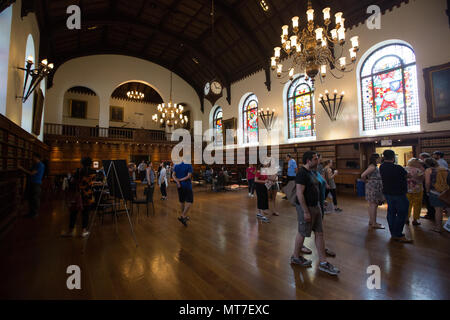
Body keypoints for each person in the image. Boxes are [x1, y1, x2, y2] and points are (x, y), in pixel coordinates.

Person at [290, 151, 340, 276]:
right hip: (306, 207)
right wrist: (306, 211)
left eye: (317, 158)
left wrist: (320, 201)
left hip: (316, 205)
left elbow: (317, 187)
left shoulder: (313, 171)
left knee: (319, 233)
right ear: (308, 160)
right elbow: (299, 193)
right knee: (302, 232)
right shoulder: (302, 173)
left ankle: (323, 262)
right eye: (315, 158)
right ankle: (295, 257)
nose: (318, 160)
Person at [379, 150, 412, 243]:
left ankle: (393, 232)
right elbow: (407, 176)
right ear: (393, 158)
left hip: (388, 192)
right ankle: (398, 234)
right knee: (402, 213)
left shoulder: (382, 167)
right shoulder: (398, 168)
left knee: (391, 212)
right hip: (399, 193)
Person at [61, 157, 98, 237]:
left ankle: (70, 231)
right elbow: (93, 181)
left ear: (82, 163)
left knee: (73, 213)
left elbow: (72, 181)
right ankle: (84, 231)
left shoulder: (79, 171)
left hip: (78, 194)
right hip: (88, 194)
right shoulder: (94, 172)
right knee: (86, 213)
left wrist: (69, 176)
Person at [424, 158, 449, 233]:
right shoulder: (446, 169)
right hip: (447, 192)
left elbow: (427, 182)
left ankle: (438, 228)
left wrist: (427, 191)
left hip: (435, 192)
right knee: (448, 209)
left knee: (438, 210)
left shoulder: (429, 170)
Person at [361, 153, 385, 229]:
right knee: (374, 205)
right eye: (379, 158)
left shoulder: (373, 166)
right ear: (376, 159)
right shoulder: (373, 166)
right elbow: (363, 175)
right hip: (373, 187)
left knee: (372, 205)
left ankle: (372, 221)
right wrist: (366, 181)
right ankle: (374, 223)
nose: (380, 159)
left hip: (373, 186)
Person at [18, 153, 45, 218]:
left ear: (37, 157)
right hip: (33, 183)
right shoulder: (37, 164)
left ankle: (34, 213)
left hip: (36, 183)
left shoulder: (39, 165)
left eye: (33, 157)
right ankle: (31, 213)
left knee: (34, 199)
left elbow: (32, 173)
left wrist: (21, 168)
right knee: (31, 199)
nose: (32, 158)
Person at [173, 161, 194, 226]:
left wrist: (178, 181)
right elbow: (189, 176)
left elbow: (173, 175)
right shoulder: (189, 164)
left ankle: (183, 217)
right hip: (187, 186)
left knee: (182, 201)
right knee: (190, 201)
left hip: (179, 186)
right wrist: (180, 180)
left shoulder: (176, 165)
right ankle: (183, 215)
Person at [405, 158, 424, 226]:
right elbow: (422, 179)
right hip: (418, 189)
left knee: (407, 204)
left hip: (407, 189)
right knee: (417, 205)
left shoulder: (405, 169)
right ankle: (415, 220)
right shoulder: (419, 170)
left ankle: (406, 218)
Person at [420, 152, 435, 220]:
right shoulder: (434, 167)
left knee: (428, 201)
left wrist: (427, 189)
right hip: (434, 186)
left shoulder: (426, 167)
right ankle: (431, 214)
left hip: (427, 185)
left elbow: (426, 179)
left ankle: (430, 214)